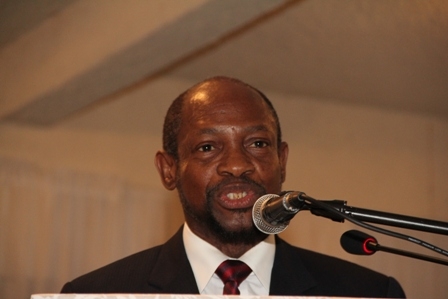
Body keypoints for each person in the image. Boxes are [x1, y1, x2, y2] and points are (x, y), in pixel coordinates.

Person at [61, 76, 406, 297]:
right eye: (208, 147)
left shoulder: (368, 293)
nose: (238, 164)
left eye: (257, 144)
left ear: (281, 162)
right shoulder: (95, 294)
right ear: (169, 171)